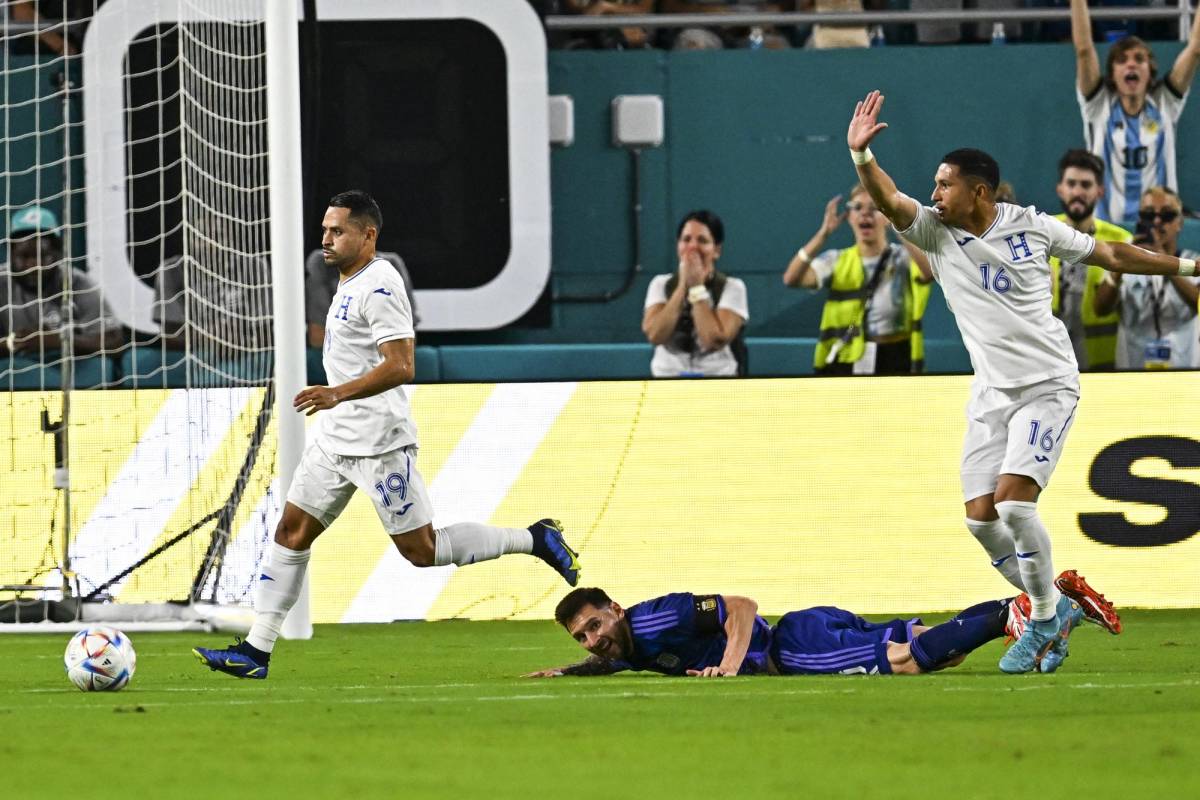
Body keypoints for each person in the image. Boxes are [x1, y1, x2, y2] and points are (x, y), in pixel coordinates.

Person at [845, 90, 1194, 673]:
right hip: (991, 393)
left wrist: (1189, 266)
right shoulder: (934, 232)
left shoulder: (1035, 228)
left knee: (1013, 507)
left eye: (943, 184)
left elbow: (1110, 252)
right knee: (980, 518)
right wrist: (861, 157)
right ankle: (1056, 605)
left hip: (1047, 386)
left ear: (978, 191)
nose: (933, 195)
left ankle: (1038, 622)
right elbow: (888, 199)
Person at [193, 191, 582, 679]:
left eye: (338, 231)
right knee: (291, 533)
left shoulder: (380, 286)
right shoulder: (346, 282)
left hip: (379, 443)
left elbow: (402, 365)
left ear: (368, 234)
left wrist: (339, 393)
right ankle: (256, 651)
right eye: (325, 230)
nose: (326, 239)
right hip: (336, 441)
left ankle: (534, 538)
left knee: (421, 551)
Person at [526, 570, 1118, 678]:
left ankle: (1016, 612)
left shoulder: (658, 615)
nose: (593, 639)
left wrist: (730, 666)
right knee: (934, 654)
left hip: (792, 647)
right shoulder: (621, 647)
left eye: (595, 625)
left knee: (910, 661)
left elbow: (741, 606)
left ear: (616, 611)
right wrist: (568, 669)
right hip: (809, 627)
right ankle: (1056, 609)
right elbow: (607, 658)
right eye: (583, 637)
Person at [1071, 0, 1200, 224]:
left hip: (1157, 230)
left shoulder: (1164, 102)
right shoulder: (1098, 105)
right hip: (1107, 232)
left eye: (1139, 59)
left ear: (1150, 72)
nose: (1131, 65)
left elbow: (1196, 48)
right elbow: (1083, 50)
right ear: (1112, 74)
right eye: (1122, 60)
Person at [783, 185, 933, 375]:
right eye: (858, 207)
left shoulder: (903, 258)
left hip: (897, 354)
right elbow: (792, 278)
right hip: (849, 355)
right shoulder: (836, 260)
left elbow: (928, 273)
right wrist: (823, 234)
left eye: (875, 208)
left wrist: (898, 221)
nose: (865, 214)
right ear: (849, 216)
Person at [1093, 187, 1200, 369]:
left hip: (1184, 368)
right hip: (1132, 370)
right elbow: (1100, 309)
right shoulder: (1122, 261)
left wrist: (1163, 259)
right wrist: (1119, 267)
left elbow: (1196, 301)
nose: (1157, 221)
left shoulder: (1194, 262)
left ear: (1180, 222)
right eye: (1149, 215)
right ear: (1140, 219)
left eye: (1167, 215)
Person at [1, 204, 124, 361]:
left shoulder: (78, 283)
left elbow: (114, 342)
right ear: (10, 255)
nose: (33, 265)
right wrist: (16, 342)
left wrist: (58, 340)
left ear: (57, 255)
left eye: (41, 256)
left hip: (72, 376)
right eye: (24, 256)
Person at [1050, 149, 1132, 371]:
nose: (1077, 191)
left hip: (1100, 367)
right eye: (1071, 183)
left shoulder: (1120, 240)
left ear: (1100, 191)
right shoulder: (1042, 232)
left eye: (1086, 185)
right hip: (1047, 365)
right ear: (1060, 189)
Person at [642, 210, 749, 377]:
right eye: (686, 239)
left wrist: (697, 288)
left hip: (717, 383)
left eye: (702, 241)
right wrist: (682, 288)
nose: (693, 247)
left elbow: (713, 340)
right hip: (667, 383)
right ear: (678, 246)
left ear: (716, 250)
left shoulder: (732, 288)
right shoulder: (660, 285)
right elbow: (655, 335)